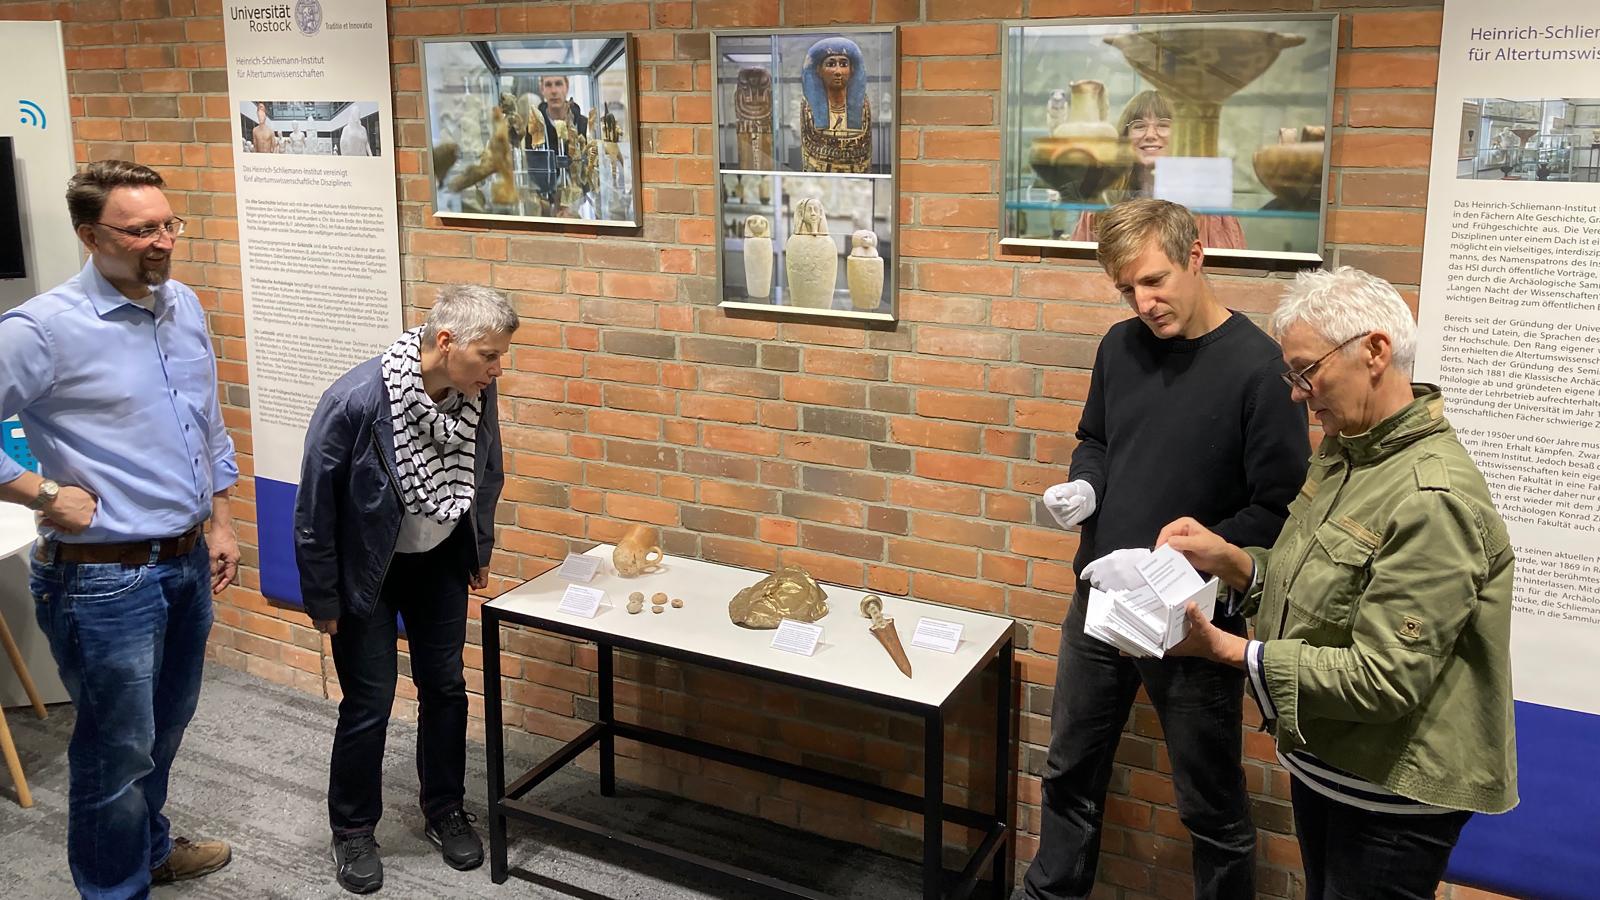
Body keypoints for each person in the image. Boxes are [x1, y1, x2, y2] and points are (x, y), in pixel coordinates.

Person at [1157, 266, 1517, 900]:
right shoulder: (1349, 452)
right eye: (1291, 376)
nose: (1298, 394)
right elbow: (1318, 592)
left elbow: (1384, 678)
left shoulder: (1430, 496)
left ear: (1374, 352)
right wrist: (1233, 561)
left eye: (1306, 371)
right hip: (1335, 766)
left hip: (1389, 794)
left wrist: (1229, 651)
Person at [1025, 198, 1310, 900]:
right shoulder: (1119, 347)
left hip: (1194, 622)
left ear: (1195, 257)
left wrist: (1205, 550)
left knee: (1209, 804)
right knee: (1069, 773)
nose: (1144, 302)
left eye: (1154, 281)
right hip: (1101, 602)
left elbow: (1281, 509)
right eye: (1127, 289)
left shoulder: (1260, 369)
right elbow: (1095, 440)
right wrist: (1086, 488)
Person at [0, 160, 240, 896]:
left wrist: (221, 517)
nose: (161, 242)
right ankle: (114, 888)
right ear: (89, 235)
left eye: (169, 224)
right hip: (102, 580)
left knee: (164, 731)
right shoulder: (42, 329)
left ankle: (150, 849)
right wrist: (41, 493)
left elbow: (207, 422)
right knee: (115, 749)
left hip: (186, 560)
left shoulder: (184, 305)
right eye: (140, 231)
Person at [295, 284, 516, 894]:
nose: (497, 371)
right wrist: (322, 597)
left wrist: (480, 547)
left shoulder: (475, 394)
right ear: (446, 342)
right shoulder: (358, 401)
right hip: (369, 567)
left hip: (439, 557)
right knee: (369, 702)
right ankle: (353, 829)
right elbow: (315, 503)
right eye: (489, 356)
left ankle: (444, 808)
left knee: (445, 686)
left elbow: (487, 469)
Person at [1069, 90, 1246, 250]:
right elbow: (1077, 264)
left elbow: (1229, 270)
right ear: (1125, 137)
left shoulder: (1209, 204)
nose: (1151, 135)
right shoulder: (1102, 198)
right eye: (1139, 126)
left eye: (1163, 125)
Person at [800, 35, 871, 173]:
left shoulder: (863, 106)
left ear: (852, 70)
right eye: (831, 64)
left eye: (843, 64)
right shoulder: (808, 108)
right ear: (818, 70)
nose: (838, 72)